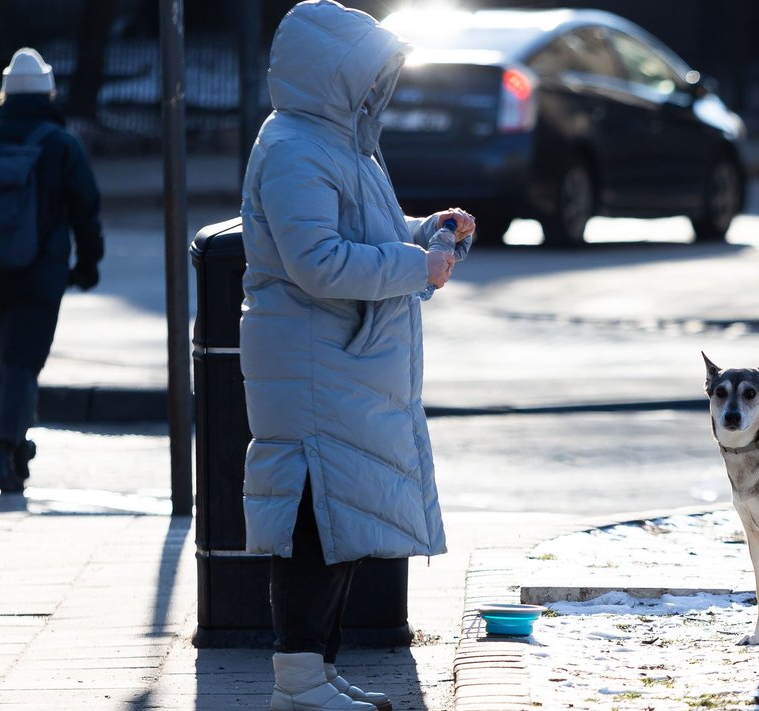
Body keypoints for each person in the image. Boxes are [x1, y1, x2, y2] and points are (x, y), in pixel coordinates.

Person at [239, 2, 475, 709]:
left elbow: (368, 233)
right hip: (316, 364)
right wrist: (412, 267)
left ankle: (315, 669)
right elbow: (316, 262)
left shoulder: (341, 146)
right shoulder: (293, 147)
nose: (380, 88)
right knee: (315, 522)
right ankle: (299, 676)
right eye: (370, 75)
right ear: (335, 77)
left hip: (340, 363)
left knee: (338, 523)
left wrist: (424, 232)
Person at [0, 47, 104, 494]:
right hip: (39, 273)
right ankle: (7, 453)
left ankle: (18, 446)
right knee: (21, 360)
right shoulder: (60, 144)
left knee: (12, 357)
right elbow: (86, 208)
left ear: (5, 94)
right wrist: (88, 264)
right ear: (48, 93)